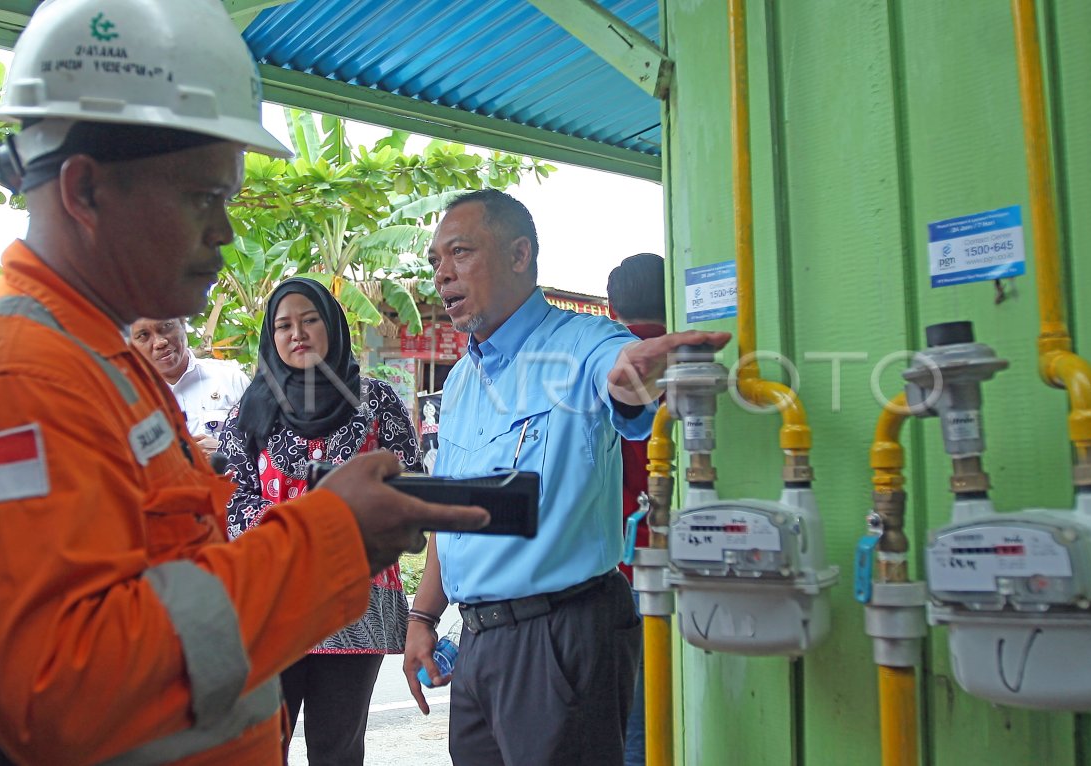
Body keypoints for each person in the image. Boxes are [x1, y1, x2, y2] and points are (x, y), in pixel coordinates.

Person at [0, 1, 487, 764]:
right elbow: (59, 690)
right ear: (84, 191)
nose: (223, 231)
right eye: (203, 197)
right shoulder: (24, 375)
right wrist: (329, 536)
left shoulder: (101, 358)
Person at [402, 190, 729, 766]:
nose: (442, 275)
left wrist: (632, 382)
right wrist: (423, 616)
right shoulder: (459, 383)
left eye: (460, 253)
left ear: (520, 254)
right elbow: (449, 518)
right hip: (477, 641)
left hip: (560, 635)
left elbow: (621, 374)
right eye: (435, 262)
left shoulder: (583, 344)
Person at [219, 277, 418, 765]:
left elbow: (408, 484)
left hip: (355, 597)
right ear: (272, 335)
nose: (298, 333)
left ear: (331, 324)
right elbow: (226, 499)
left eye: (309, 320)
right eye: (284, 325)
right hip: (270, 601)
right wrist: (295, 523)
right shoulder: (252, 406)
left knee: (338, 748)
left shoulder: (376, 401)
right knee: (262, 746)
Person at [606, 252, 668, 766]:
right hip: (688, 562)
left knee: (627, 715)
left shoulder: (603, 366)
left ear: (611, 307)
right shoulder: (685, 360)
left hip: (615, 567)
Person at [130, 316, 250, 457]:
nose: (160, 342)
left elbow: (265, 448)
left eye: (166, 326)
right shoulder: (127, 399)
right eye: (143, 335)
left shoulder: (231, 379)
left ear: (183, 324)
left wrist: (227, 450)